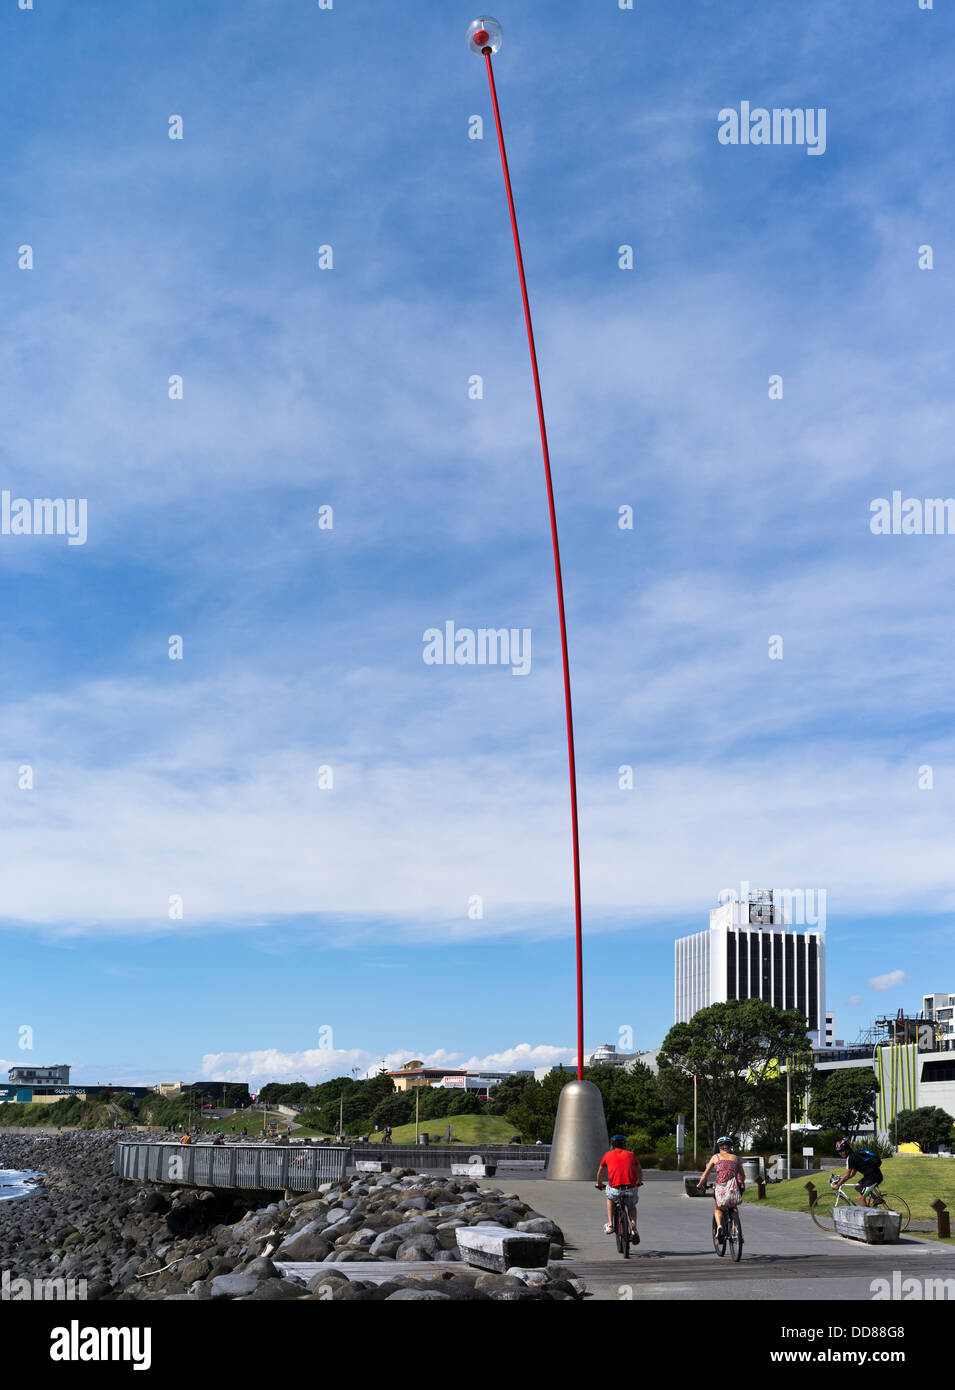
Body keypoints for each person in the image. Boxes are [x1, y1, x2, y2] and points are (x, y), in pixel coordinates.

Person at [595, 1134, 642, 1241]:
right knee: (632, 1206)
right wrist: (639, 1181)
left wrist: (599, 1183)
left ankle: (611, 1225)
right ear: (623, 1144)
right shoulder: (631, 1154)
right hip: (630, 1189)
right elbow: (639, 1170)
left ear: (612, 1145)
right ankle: (634, 1228)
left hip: (615, 1190)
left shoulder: (607, 1155)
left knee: (609, 1197)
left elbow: (600, 1172)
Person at [697, 1136, 745, 1241]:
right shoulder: (736, 1158)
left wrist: (700, 1184)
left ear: (719, 1147)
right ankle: (737, 1230)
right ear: (730, 1147)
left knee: (718, 1208)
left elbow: (705, 1174)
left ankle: (719, 1226)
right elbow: (742, 1175)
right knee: (734, 1207)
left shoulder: (715, 1157)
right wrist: (742, 1183)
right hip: (733, 1188)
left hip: (720, 1187)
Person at [831, 1137, 883, 1203]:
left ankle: (865, 1213)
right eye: (839, 1151)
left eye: (841, 1151)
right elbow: (852, 1174)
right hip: (870, 1176)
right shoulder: (854, 1156)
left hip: (873, 1178)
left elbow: (847, 1175)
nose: (840, 1153)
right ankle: (876, 1199)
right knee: (857, 1187)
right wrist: (841, 1181)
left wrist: (838, 1185)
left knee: (861, 1198)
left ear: (847, 1149)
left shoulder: (850, 1157)